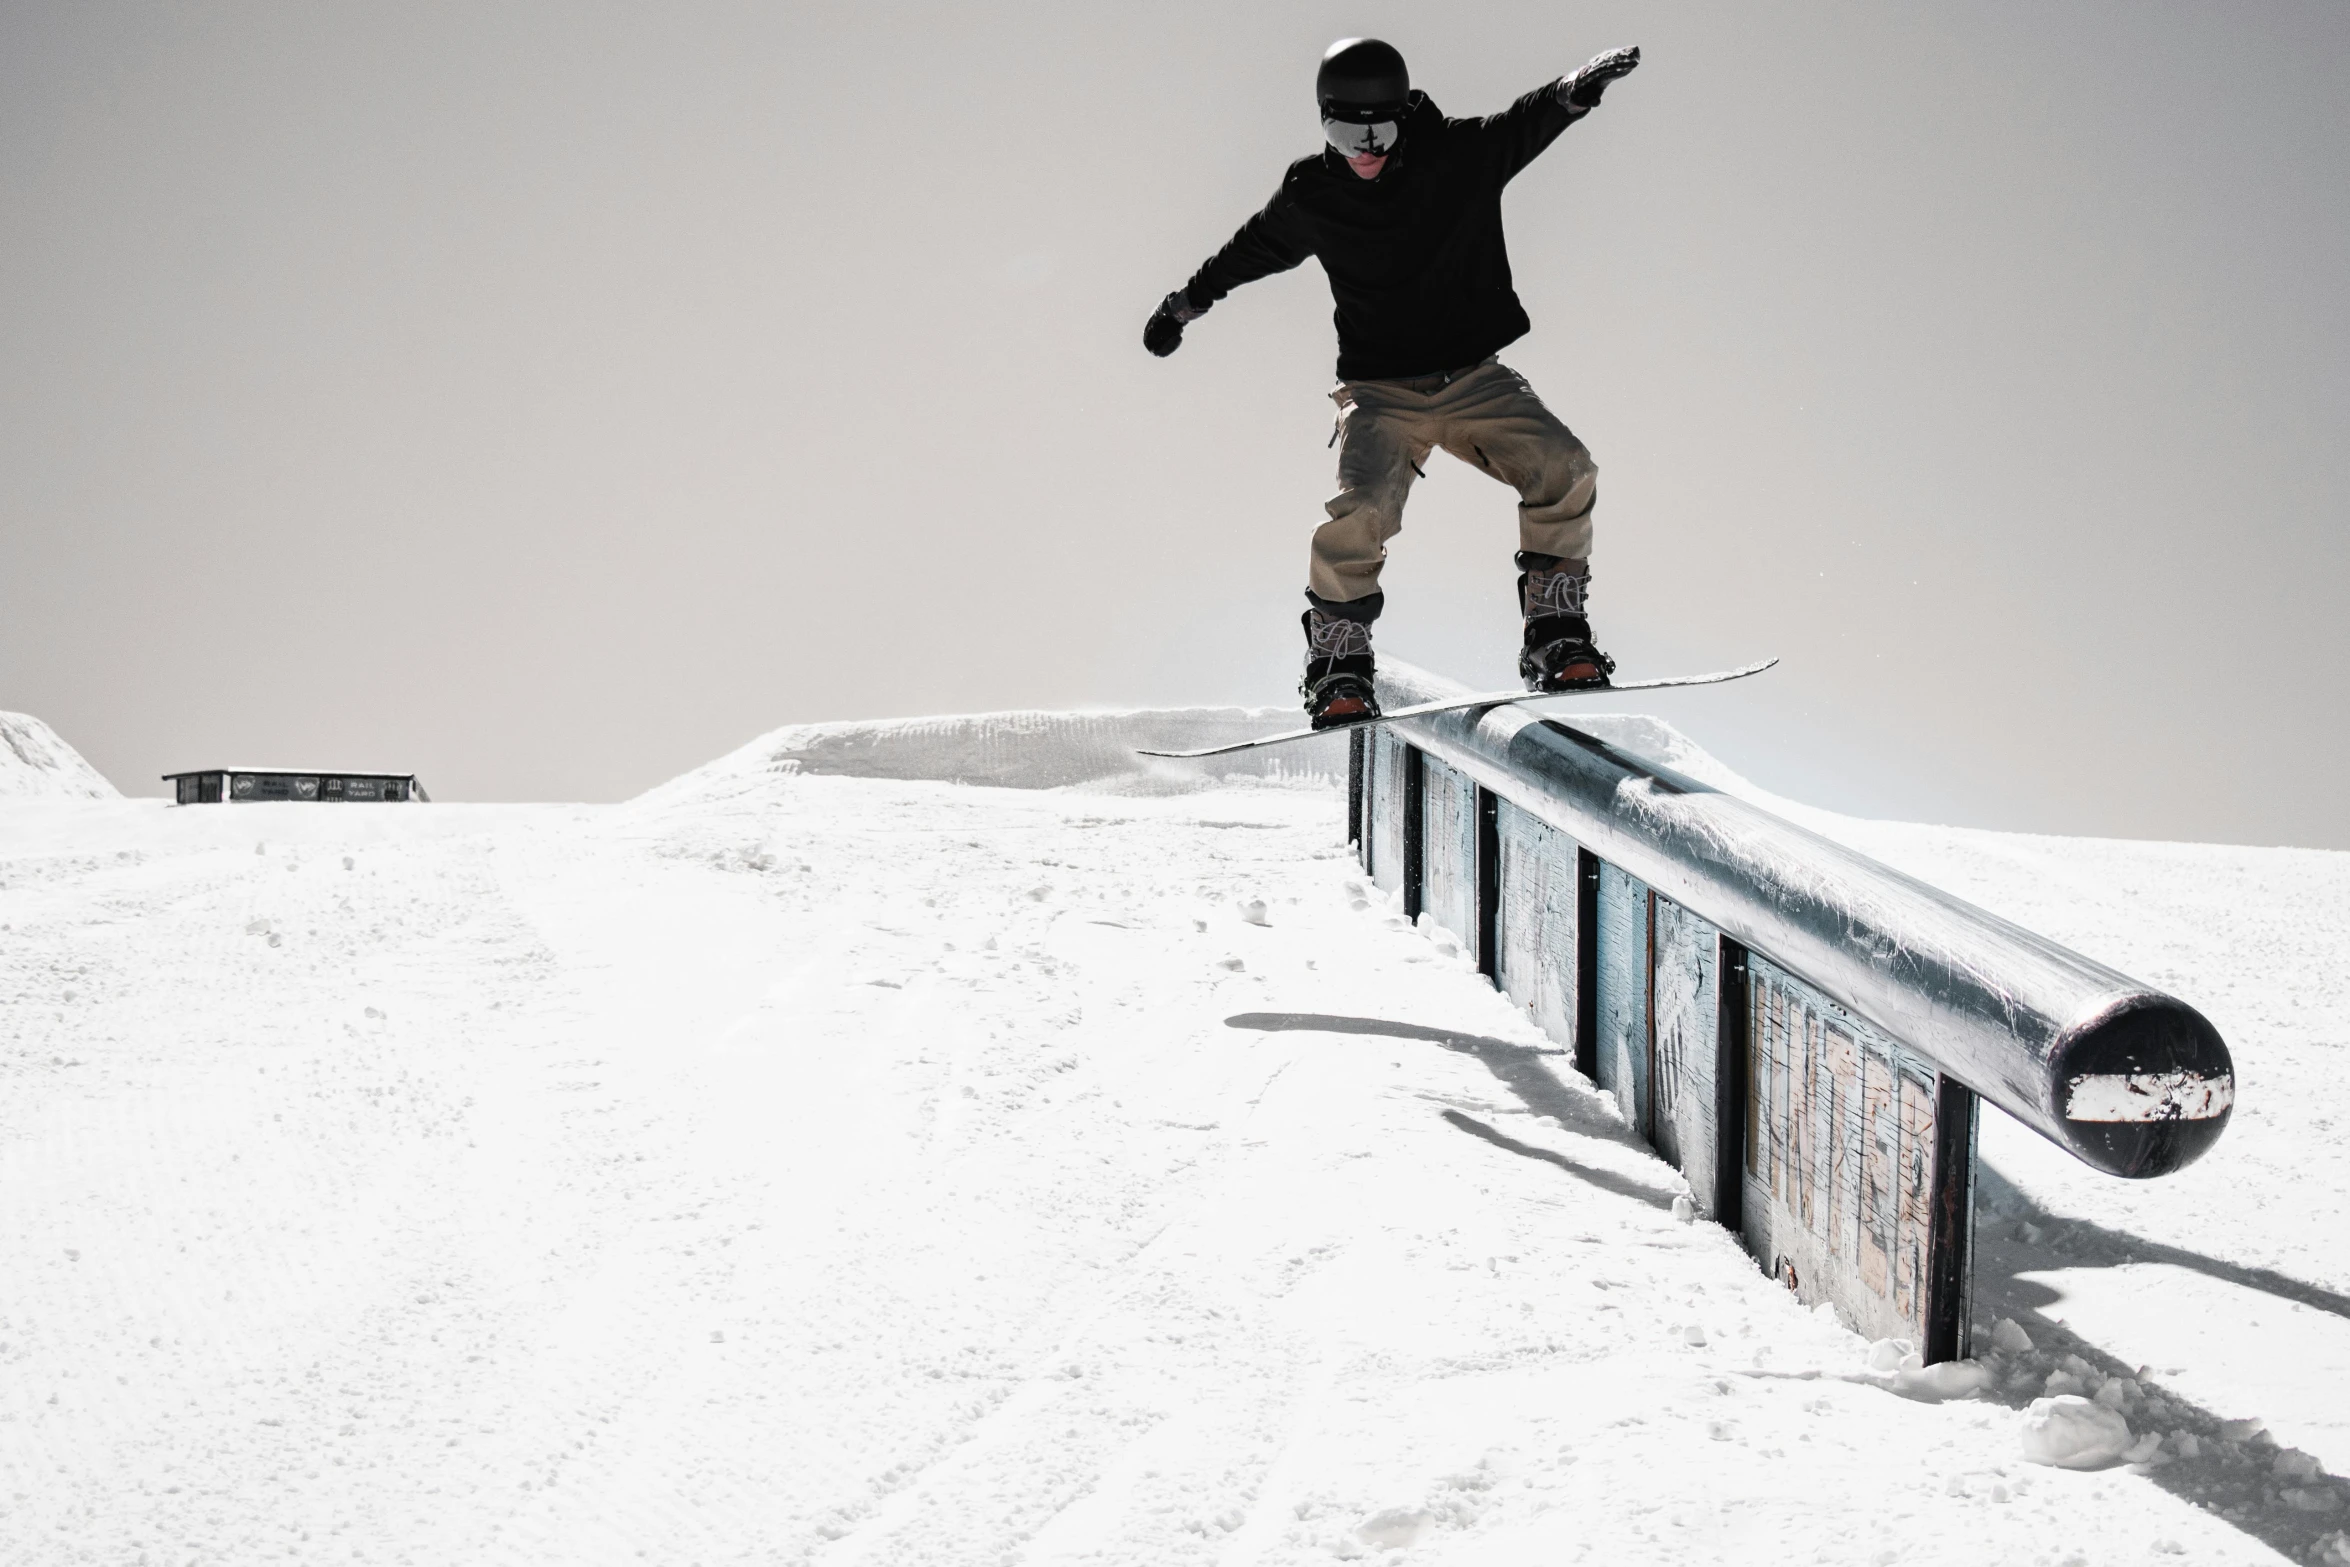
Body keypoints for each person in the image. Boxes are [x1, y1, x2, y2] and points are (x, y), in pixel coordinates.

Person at [1144, 37, 1642, 727]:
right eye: (1348, 131)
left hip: (1474, 378)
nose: (1367, 147)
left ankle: (1554, 628)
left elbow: (1522, 124)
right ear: (1325, 123)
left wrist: (1573, 92)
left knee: (1565, 465)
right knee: (1364, 506)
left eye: (1381, 128)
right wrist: (1183, 306)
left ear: (1405, 115)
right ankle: (1338, 660)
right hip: (1378, 392)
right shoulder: (1311, 194)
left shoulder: (1456, 158)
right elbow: (1248, 251)